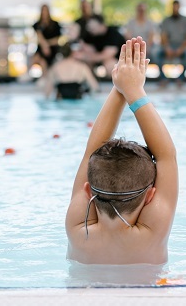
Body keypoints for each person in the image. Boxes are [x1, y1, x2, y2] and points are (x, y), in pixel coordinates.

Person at [65, 37, 178, 264]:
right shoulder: (152, 233)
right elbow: (166, 156)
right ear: (150, 196)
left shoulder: (77, 228)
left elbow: (91, 152)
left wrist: (123, 88)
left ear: (88, 191)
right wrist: (131, 89)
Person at [72, 0, 123, 72]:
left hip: (118, 61)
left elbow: (105, 55)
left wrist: (85, 57)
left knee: (109, 64)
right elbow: (88, 48)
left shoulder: (112, 34)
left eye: (92, 27)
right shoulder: (92, 34)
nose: (89, 28)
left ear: (101, 25)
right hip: (99, 60)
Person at [158, 0, 186, 87]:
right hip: (170, 45)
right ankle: (163, 78)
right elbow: (163, 36)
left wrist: (181, 49)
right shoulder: (166, 21)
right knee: (156, 54)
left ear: (179, 7)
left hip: (183, 45)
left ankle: (180, 78)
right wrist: (167, 48)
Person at [31, 4, 62, 72]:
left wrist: (46, 44)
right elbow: (39, 37)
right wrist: (45, 46)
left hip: (53, 49)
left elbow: (57, 40)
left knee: (44, 61)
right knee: (38, 60)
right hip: (41, 49)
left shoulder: (55, 24)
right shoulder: (37, 24)